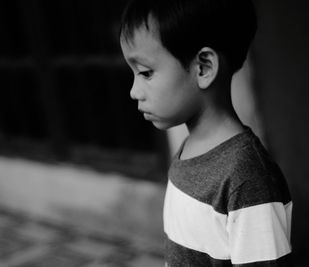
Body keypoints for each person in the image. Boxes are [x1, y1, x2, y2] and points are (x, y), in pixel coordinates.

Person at [119, 0, 292, 266]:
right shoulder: (188, 150)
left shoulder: (246, 176)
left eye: (145, 72)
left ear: (203, 67)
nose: (134, 91)